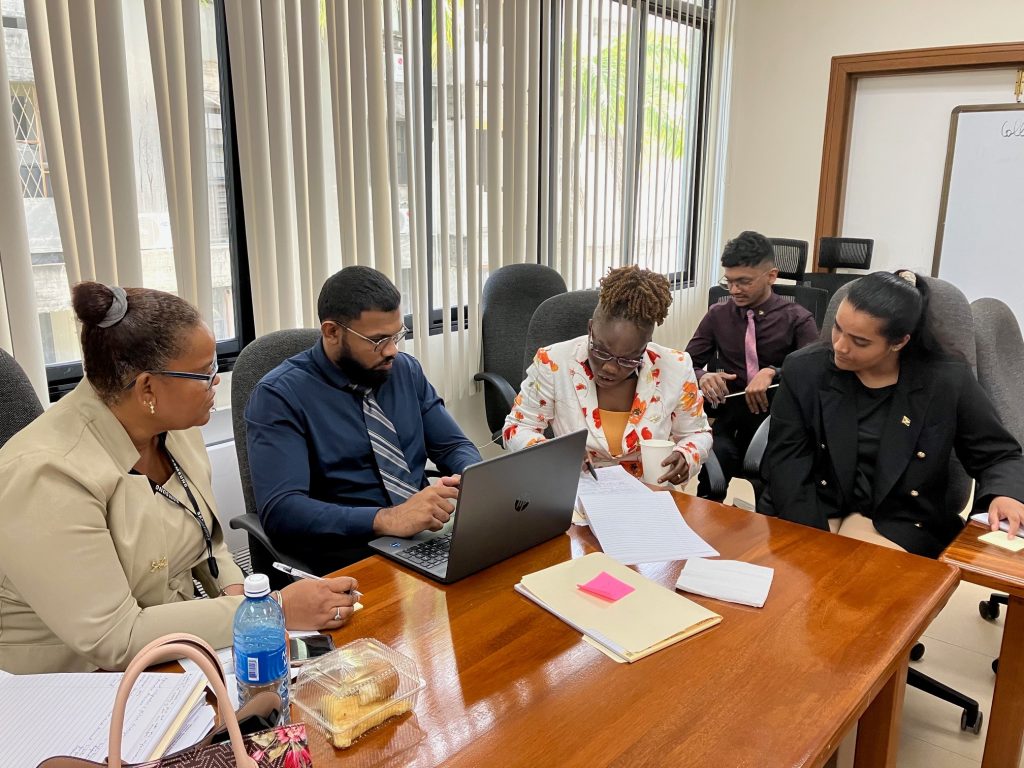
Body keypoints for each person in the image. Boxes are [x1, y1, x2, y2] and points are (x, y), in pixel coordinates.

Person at [0, 283, 357, 675]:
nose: (216, 382)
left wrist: (242, 600)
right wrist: (275, 610)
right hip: (75, 684)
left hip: (172, 657)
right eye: (205, 373)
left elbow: (208, 541)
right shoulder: (46, 472)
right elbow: (115, 637)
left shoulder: (174, 425)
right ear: (148, 387)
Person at [761, 270, 1024, 557]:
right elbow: (786, 461)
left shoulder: (945, 381)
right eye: (837, 328)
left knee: (860, 589)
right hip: (816, 506)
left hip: (900, 519)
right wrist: (818, 540)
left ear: (899, 342)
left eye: (860, 341)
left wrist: (1005, 493)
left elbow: (999, 455)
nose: (839, 346)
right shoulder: (804, 370)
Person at [245, 266, 482, 575]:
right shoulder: (279, 397)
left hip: (424, 540)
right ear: (332, 332)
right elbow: (282, 510)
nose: (392, 350)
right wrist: (388, 519)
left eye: (397, 335)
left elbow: (452, 445)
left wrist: (473, 478)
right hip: (349, 553)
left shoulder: (405, 371)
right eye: (378, 340)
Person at [503, 265, 712, 485]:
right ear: (590, 329)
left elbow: (698, 433)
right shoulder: (554, 362)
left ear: (645, 347)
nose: (610, 368)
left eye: (628, 359)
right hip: (576, 493)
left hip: (649, 495)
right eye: (601, 351)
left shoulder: (675, 367)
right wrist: (554, 453)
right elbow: (517, 428)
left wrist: (687, 455)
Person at [685, 230, 818, 495]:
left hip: (778, 422)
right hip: (730, 419)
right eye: (729, 282)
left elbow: (817, 371)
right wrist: (702, 376)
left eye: (743, 282)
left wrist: (774, 371)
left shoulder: (797, 318)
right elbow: (684, 364)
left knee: (777, 494)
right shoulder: (718, 315)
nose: (734, 290)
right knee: (711, 484)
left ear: (771, 275)